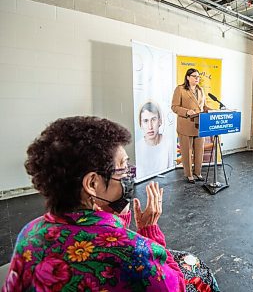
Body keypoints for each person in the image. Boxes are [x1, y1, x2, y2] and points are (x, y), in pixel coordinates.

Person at [1, 116, 185, 291]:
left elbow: (104, 235)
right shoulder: (135, 253)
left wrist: (116, 217)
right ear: (92, 183)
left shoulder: (29, 231)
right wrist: (149, 231)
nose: (128, 174)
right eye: (122, 168)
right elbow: (175, 286)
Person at [171, 68, 210, 184]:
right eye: (194, 76)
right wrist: (187, 111)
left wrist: (215, 111)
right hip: (186, 125)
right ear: (188, 77)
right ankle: (189, 174)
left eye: (198, 76)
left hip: (199, 125)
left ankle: (198, 172)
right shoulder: (180, 89)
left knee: (199, 151)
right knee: (186, 151)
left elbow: (204, 107)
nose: (197, 78)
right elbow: (174, 107)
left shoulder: (201, 90)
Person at [136, 101, 174, 179]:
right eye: (145, 121)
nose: (150, 126)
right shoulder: (137, 147)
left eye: (153, 119)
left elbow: (171, 175)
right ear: (141, 124)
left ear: (159, 121)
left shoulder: (168, 143)